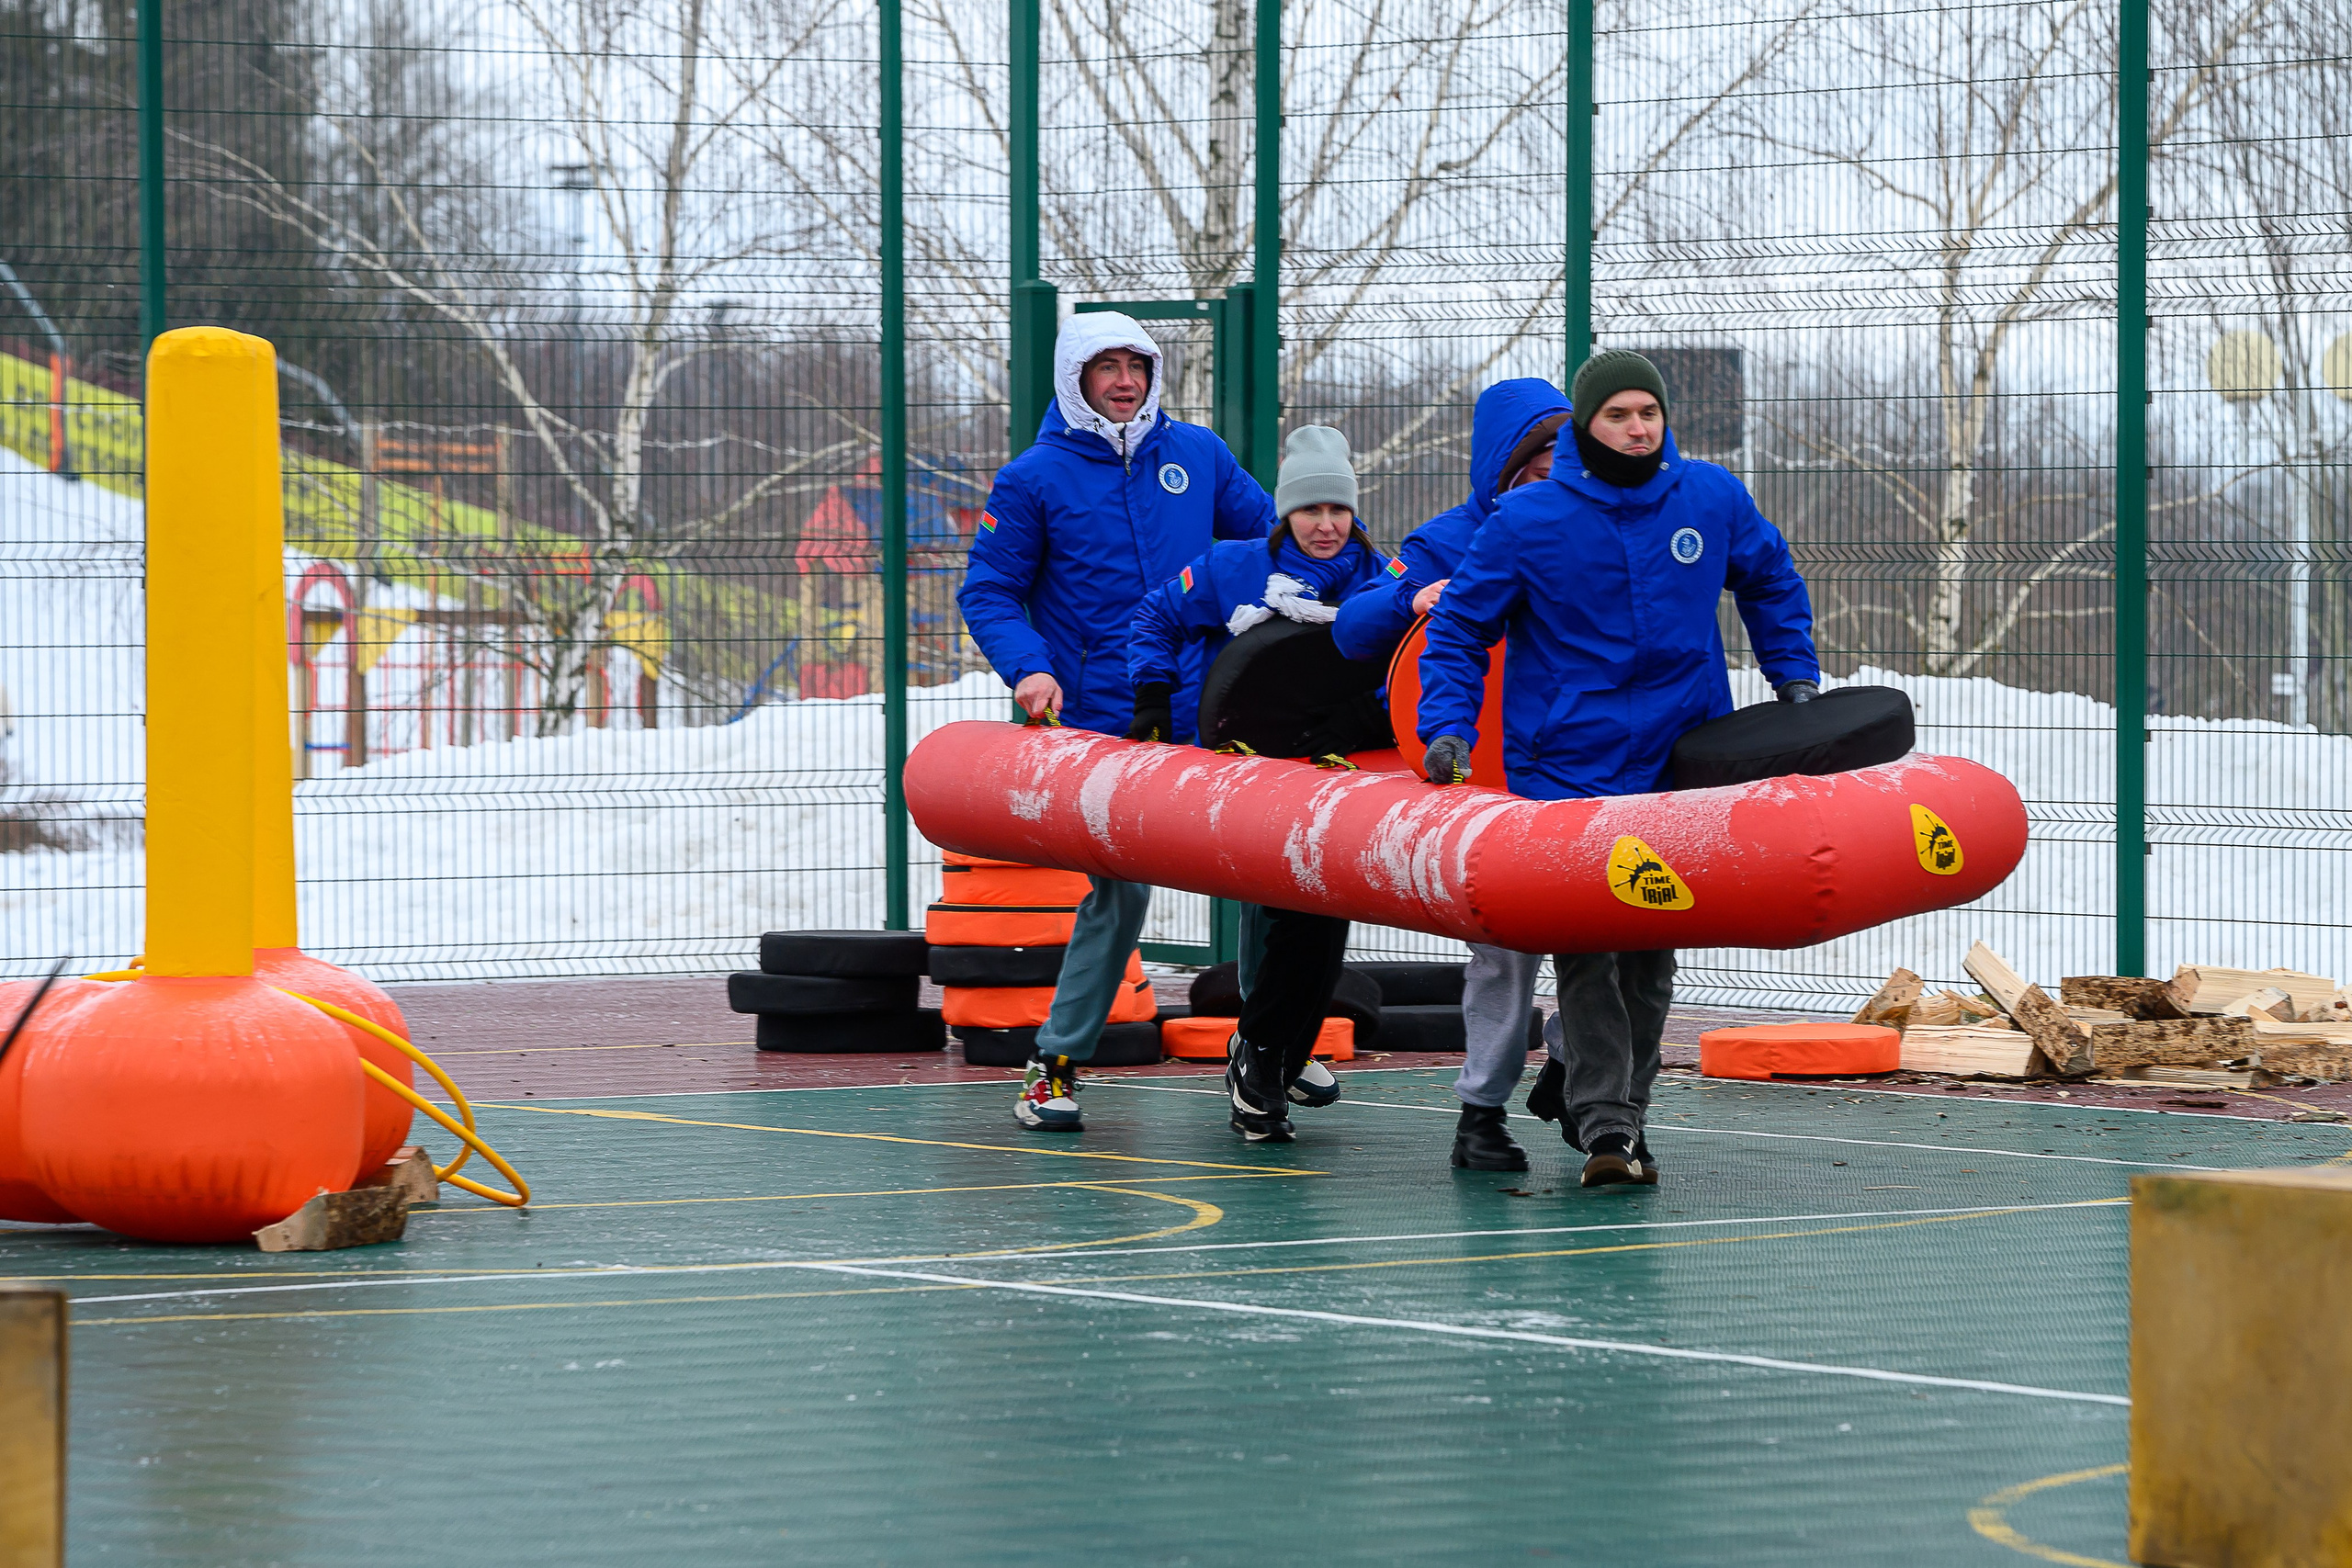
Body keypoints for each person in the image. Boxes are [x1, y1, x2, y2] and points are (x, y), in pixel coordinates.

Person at [1415, 350, 1820, 1187]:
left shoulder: (1710, 496)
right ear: (1587, 426)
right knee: (1590, 947)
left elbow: (1771, 578)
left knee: (1651, 952)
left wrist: (1795, 677)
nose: (1638, 427)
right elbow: (1457, 629)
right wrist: (1447, 727)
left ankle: (1620, 1116)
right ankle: (1605, 1123)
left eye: (1649, 412)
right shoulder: (1528, 520)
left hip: (1680, 756)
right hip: (1567, 766)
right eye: (1618, 415)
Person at [959, 312, 1276, 1132]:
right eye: (1106, 366)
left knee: (1260, 869)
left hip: (1204, 706)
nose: (1125, 380)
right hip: (1102, 718)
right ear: (1073, 377)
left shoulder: (1199, 456)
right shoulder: (1032, 479)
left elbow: (1279, 544)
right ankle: (1054, 1065)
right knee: (1119, 891)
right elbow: (988, 590)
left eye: (1137, 364)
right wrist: (1028, 666)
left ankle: (1274, 1043)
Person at [1332, 378, 1571, 1173]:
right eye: (1533, 456)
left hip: (1584, 764)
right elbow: (1354, 629)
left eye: (1560, 453)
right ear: (1500, 464)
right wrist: (1413, 597)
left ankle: (1577, 1076)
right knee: (1503, 954)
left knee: (1607, 937)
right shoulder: (1449, 538)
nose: (1549, 467)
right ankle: (1481, 1112)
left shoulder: (1595, 527)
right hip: (1486, 775)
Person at [1128, 425, 1387, 1140]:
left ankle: (1276, 1048)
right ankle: (1265, 1058)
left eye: (1338, 510)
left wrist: (1363, 716)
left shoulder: (1381, 580)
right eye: (1310, 511)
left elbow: (1416, 664)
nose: (1326, 526)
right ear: (1285, 515)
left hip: (1338, 777)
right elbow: (1155, 615)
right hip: (1247, 777)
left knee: (1325, 916)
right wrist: (1153, 692)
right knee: (1287, 912)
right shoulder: (1232, 567)